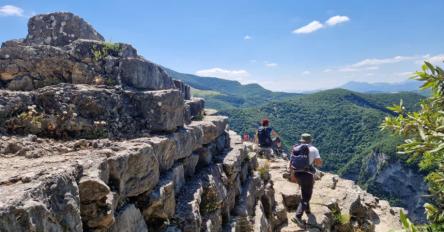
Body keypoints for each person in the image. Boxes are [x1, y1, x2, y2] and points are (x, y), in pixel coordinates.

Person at [289, 133, 322, 225]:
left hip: (297, 173)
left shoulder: (296, 148)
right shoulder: (314, 149)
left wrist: (292, 175)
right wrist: (316, 162)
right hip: (307, 175)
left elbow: (291, 162)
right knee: (306, 196)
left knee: (305, 191)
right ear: (310, 141)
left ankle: (307, 210)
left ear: (301, 140)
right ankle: (298, 216)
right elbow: (319, 163)